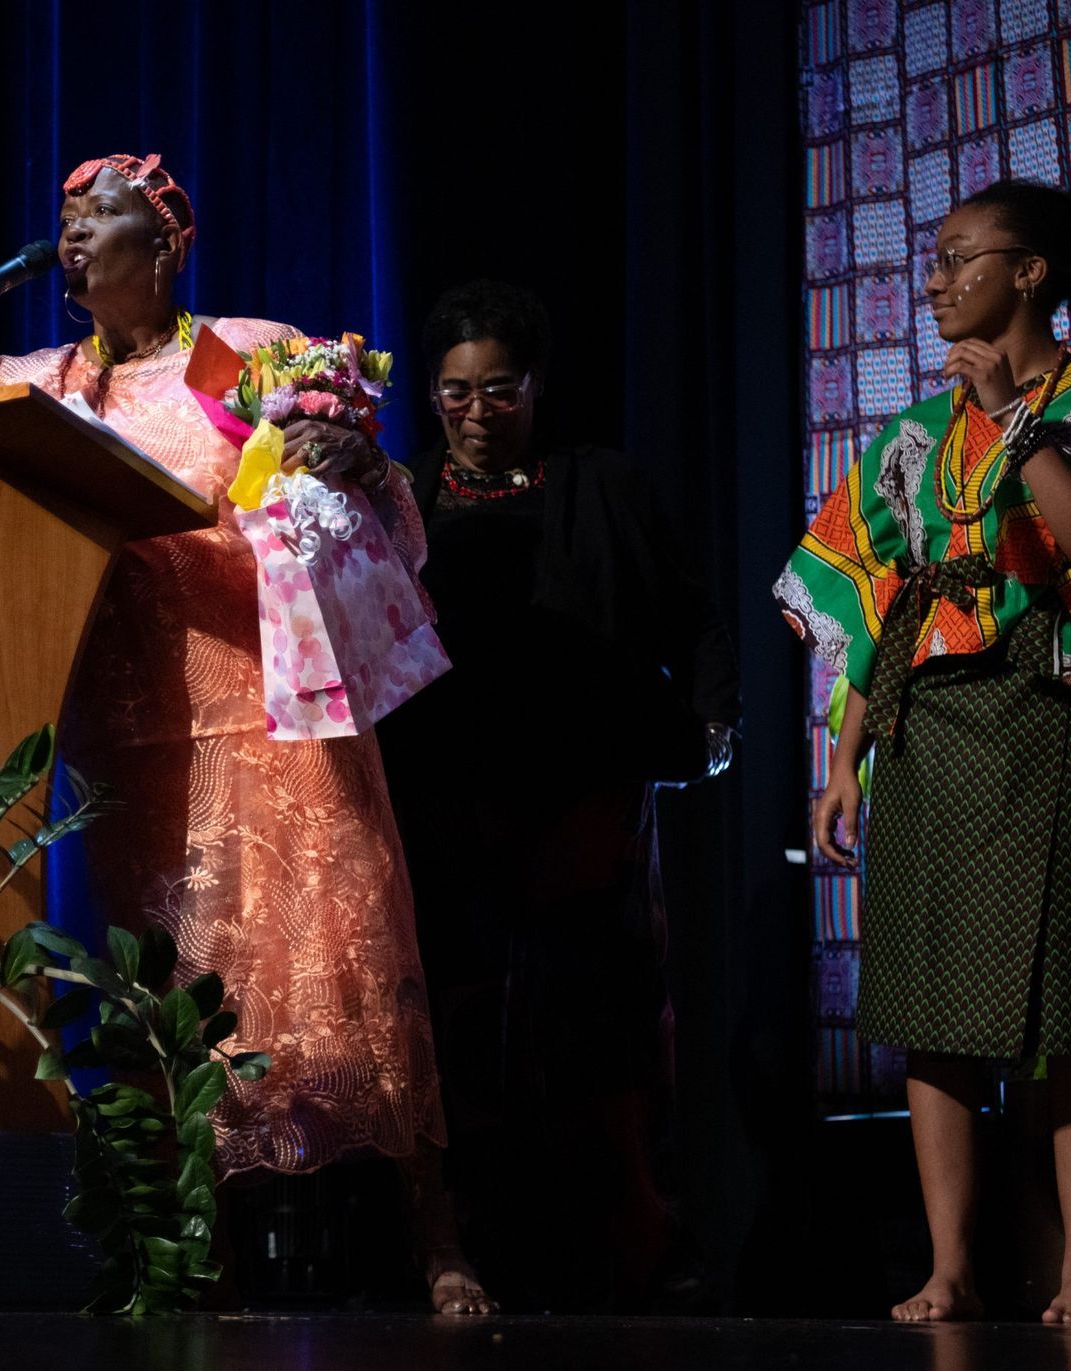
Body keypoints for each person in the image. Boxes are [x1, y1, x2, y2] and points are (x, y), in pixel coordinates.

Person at [0, 156, 474, 1309]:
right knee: (178, 1008)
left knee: (350, 973)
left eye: (95, 223)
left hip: (274, 712)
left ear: (166, 247)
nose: (72, 244)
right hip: (129, 739)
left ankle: (436, 1237)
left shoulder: (249, 354)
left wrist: (356, 460)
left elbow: (386, 506)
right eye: (62, 228)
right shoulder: (34, 381)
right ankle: (201, 1255)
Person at [777, 171, 1071, 1326]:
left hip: (1063, 724)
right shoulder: (908, 436)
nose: (938, 282)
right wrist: (844, 756)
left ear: (1030, 273)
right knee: (929, 1006)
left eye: (961, 258)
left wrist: (1015, 423)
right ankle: (949, 1267)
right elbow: (886, 600)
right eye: (934, 263)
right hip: (933, 737)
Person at [377, 280, 740, 1312]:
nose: (478, 411)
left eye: (499, 390)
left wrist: (713, 728)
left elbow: (691, 616)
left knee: (605, 1026)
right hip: (451, 796)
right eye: (455, 394)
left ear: (535, 387)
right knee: (464, 1026)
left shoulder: (602, 485)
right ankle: (472, 1247)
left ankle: (633, 1249)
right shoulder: (406, 498)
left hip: (584, 791)